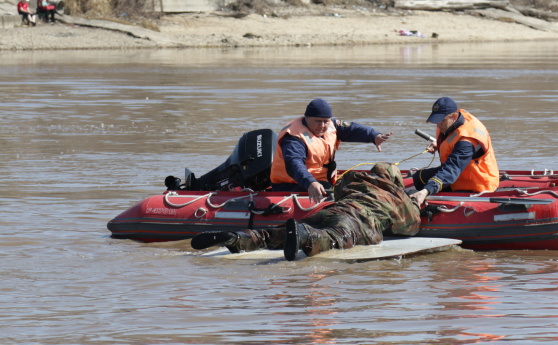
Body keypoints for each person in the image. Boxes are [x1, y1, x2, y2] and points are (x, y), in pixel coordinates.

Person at [191, 162, 420, 261]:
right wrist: (416, 205)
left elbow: (338, 192)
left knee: (274, 234)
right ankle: (304, 236)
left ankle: (237, 239)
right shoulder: (396, 196)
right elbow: (409, 228)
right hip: (357, 221)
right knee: (333, 238)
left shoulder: (355, 180)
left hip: (331, 210)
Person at [269, 98, 392, 204]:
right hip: (294, 183)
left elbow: (352, 129)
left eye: (325, 121)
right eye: (318, 121)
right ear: (307, 118)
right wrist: (310, 182)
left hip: (321, 180)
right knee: (350, 197)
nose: (322, 125)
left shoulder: (331, 125)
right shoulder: (294, 138)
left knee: (362, 184)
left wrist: (374, 136)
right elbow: (294, 164)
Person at [408, 97, 500, 208]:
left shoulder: (467, 140)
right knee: (419, 178)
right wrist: (440, 144)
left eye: (441, 120)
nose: (438, 124)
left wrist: (426, 191)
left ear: (454, 117)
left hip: (477, 182)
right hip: (463, 172)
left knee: (425, 182)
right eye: (436, 120)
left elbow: (451, 169)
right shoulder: (456, 119)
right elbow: (453, 141)